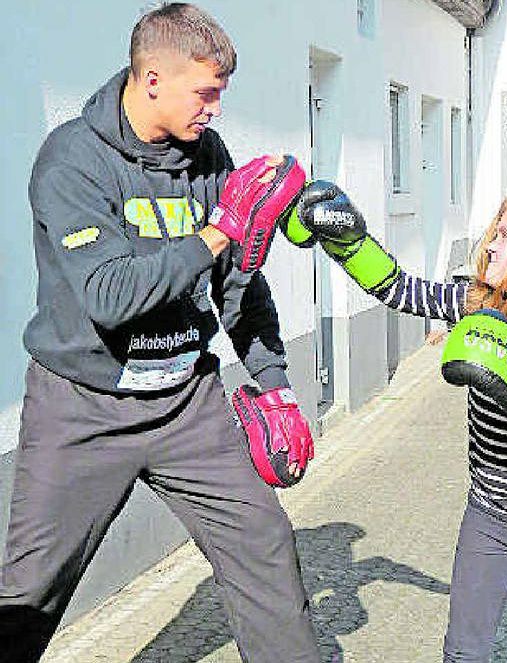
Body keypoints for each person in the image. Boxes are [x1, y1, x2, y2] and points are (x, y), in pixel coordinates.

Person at [0, 4, 319, 662]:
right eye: (205, 93)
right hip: (82, 407)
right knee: (28, 592)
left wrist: (274, 382)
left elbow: (238, 280)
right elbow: (110, 296)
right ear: (152, 80)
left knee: (264, 546)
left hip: (186, 404)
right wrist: (218, 230)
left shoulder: (205, 156)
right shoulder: (72, 161)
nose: (214, 110)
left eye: (219, 94)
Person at [283, 181, 507, 661]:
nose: (491, 242)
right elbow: (400, 290)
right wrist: (349, 244)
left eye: (506, 234)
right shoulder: (479, 306)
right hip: (489, 516)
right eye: (494, 230)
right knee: (462, 653)